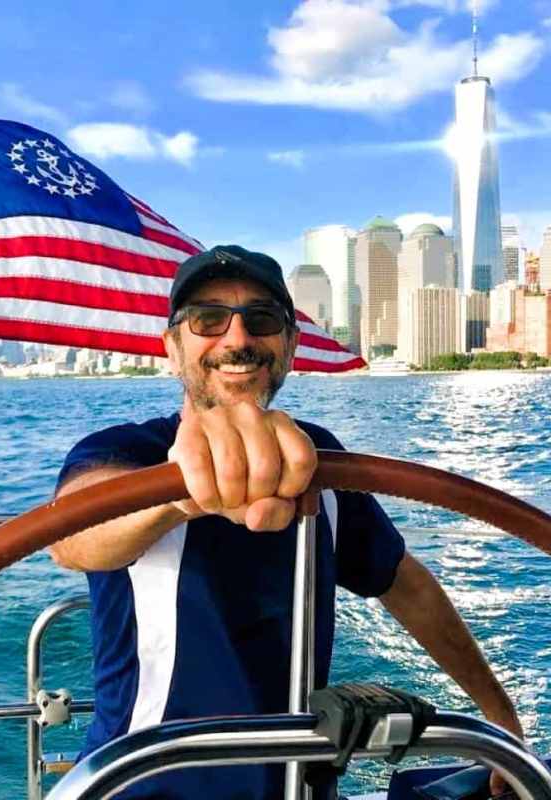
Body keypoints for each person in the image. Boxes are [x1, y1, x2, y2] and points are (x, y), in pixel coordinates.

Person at [51, 245, 521, 799]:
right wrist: (177, 494)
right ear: (173, 348)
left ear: (290, 346)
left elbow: (405, 584)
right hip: (143, 782)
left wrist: (501, 721)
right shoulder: (126, 454)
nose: (237, 339)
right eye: (207, 319)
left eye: (262, 319)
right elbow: (75, 535)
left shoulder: (325, 462)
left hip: (300, 780)